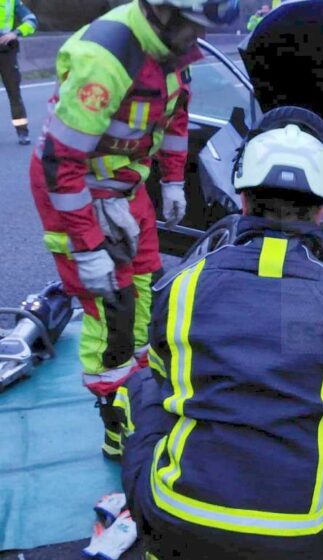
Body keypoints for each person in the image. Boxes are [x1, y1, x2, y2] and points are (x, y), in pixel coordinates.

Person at [120, 106, 323, 559]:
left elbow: (165, 379)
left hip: (180, 525)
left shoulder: (180, 285)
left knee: (142, 392)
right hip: (303, 538)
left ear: (243, 199)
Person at [28, 0, 239, 460]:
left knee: (144, 289)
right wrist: (86, 246)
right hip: (78, 191)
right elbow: (59, 163)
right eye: (192, 28)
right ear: (160, 12)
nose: (197, 40)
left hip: (127, 183)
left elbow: (176, 119)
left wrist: (173, 180)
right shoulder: (106, 58)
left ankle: (141, 396)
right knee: (112, 311)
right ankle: (117, 427)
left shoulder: (173, 53)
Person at [0, 0, 37, 145]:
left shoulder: (11, 1)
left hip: (6, 51)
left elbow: (31, 21)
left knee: (14, 94)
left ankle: (22, 131)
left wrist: (16, 33)